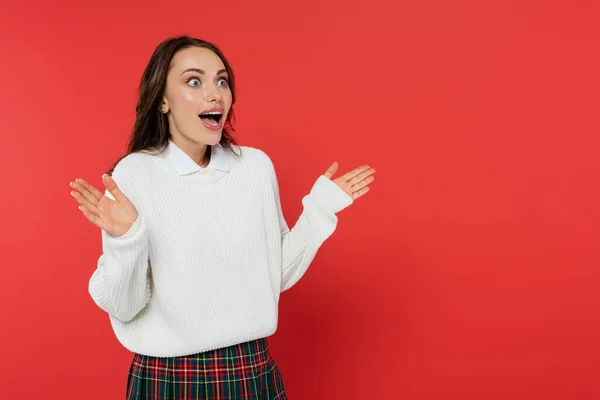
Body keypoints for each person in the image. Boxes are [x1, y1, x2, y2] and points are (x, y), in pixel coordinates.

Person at [69, 36, 375, 399]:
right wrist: (127, 240)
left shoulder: (255, 167)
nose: (215, 94)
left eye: (222, 80)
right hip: (169, 376)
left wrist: (319, 210)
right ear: (162, 100)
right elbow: (124, 305)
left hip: (251, 368)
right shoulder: (134, 176)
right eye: (194, 81)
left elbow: (272, 275)